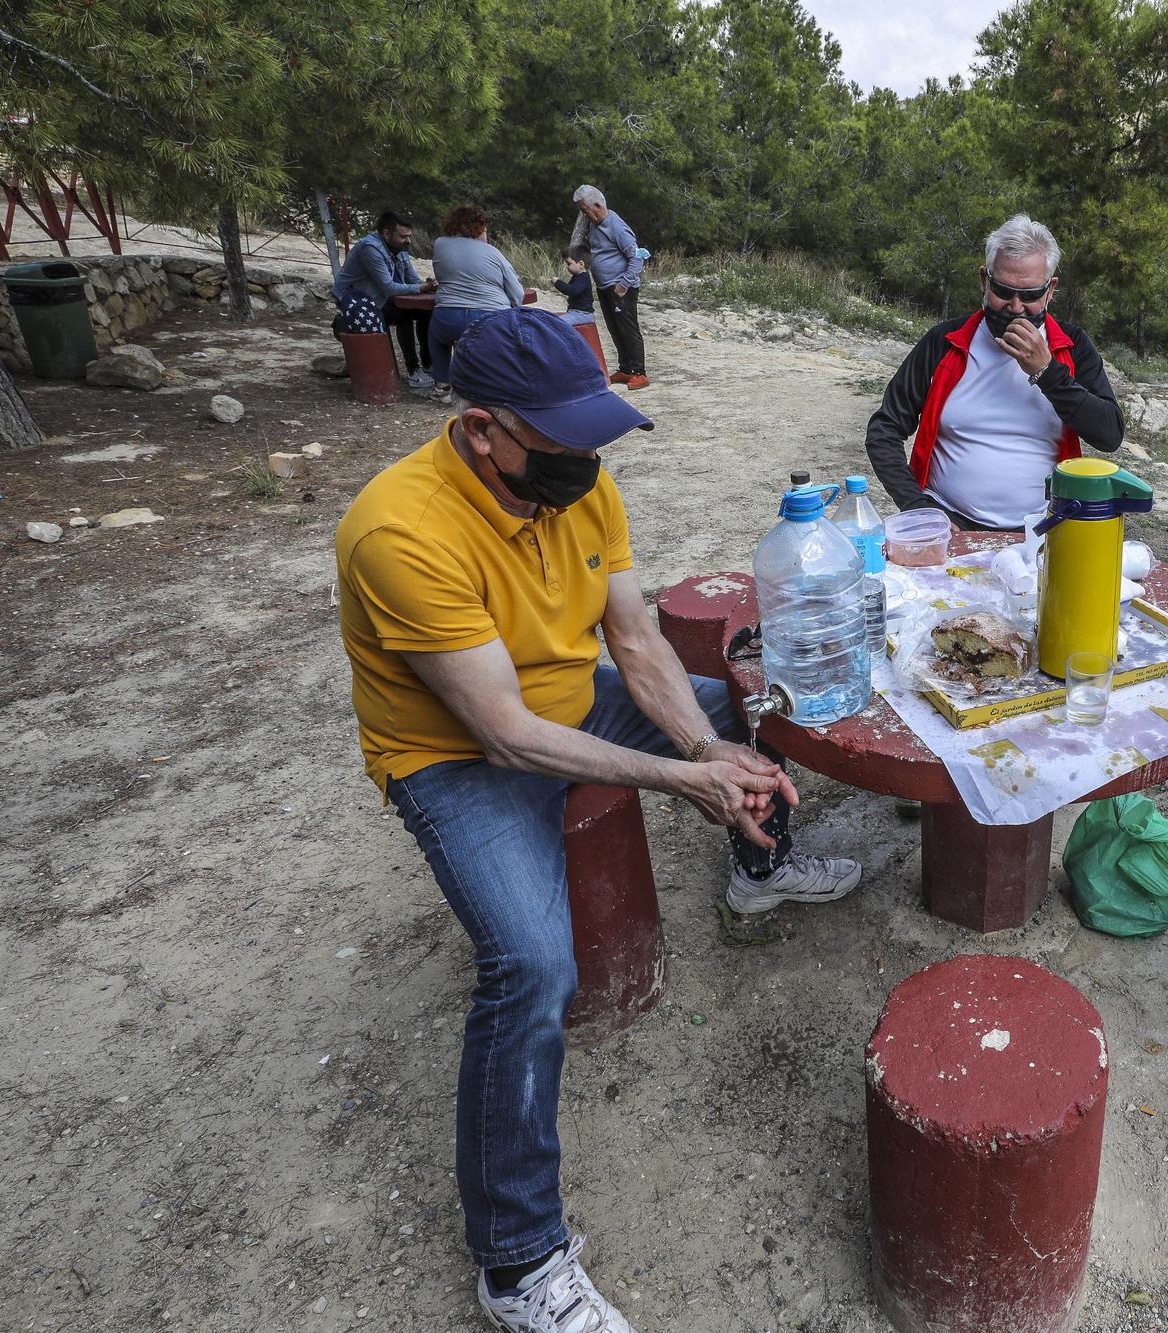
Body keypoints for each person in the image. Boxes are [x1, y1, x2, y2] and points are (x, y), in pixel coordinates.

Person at [334, 307, 862, 1330]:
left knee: (755, 712)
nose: (588, 461)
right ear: (482, 429)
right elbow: (502, 735)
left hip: (567, 702)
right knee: (531, 968)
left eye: (594, 438)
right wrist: (677, 781)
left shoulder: (576, 479)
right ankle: (518, 1261)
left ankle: (759, 869)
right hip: (456, 758)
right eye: (563, 441)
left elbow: (633, 638)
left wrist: (709, 751)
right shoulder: (397, 530)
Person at [865, 214, 1123, 532]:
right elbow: (884, 429)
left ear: (1050, 289)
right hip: (948, 519)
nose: (1015, 307)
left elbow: (1109, 434)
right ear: (984, 281)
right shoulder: (945, 341)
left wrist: (1047, 372)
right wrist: (918, 508)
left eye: (1029, 295)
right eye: (1003, 291)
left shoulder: (1072, 346)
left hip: (1043, 526)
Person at [331, 209, 439, 387]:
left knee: (426, 312)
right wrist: (422, 288)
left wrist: (428, 285)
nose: (408, 241)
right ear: (387, 234)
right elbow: (388, 287)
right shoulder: (370, 249)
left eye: (409, 236)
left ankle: (429, 364)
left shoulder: (399, 248)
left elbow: (412, 279)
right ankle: (414, 370)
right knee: (403, 314)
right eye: (404, 237)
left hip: (380, 296)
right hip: (357, 300)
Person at [429, 204, 526, 397]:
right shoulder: (493, 253)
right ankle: (495, 387)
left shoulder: (440, 244)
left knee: (437, 336)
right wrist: (512, 308)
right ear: (480, 228)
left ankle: (442, 385)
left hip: (447, 315)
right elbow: (517, 292)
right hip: (489, 317)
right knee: (497, 343)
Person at [570, 185, 649, 388]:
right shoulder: (594, 223)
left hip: (621, 288)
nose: (583, 215)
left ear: (597, 205)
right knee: (615, 328)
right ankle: (625, 369)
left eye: (584, 210)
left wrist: (624, 284)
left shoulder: (616, 225)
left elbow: (637, 256)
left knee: (628, 329)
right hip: (605, 287)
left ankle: (639, 372)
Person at [552, 246, 595, 328]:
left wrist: (557, 282)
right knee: (552, 319)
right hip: (575, 312)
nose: (567, 267)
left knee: (558, 323)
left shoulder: (583, 278)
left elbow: (572, 291)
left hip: (583, 314)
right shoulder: (577, 276)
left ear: (581, 264)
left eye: (569, 264)